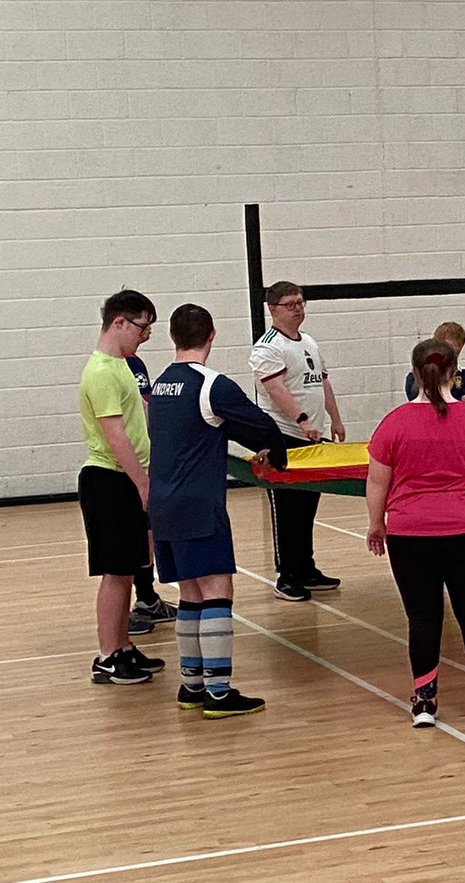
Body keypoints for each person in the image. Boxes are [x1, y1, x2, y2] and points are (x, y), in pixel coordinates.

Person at [366, 338, 465, 727]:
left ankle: (424, 702)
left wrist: (376, 524)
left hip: (410, 533)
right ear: (455, 372)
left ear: (414, 374)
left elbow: (377, 484)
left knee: (422, 618)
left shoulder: (394, 423)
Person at [149, 304, 288, 718]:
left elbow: (217, 427)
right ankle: (219, 692)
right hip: (198, 502)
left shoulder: (160, 385)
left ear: (173, 336)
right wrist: (277, 454)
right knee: (217, 590)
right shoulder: (211, 384)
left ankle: (192, 686)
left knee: (190, 592)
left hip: (162, 502)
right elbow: (261, 425)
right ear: (212, 335)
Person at [77, 290, 167, 685]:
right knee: (115, 573)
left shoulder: (122, 367)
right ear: (119, 323)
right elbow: (116, 437)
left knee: (128, 568)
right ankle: (107, 655)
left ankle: (124, 646)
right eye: (142, 328)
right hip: (110, 480)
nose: (144, 337)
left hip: (124, 479)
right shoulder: (100, 372)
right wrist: (142, 482)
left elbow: (140, 419)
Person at [250, 281, 346, 601]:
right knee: (287, 508)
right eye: (290, 304)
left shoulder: (309, 342)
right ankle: (286, 575)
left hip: (313, 439)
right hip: (284, 438)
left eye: (301, 302)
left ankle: (306, 567)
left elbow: (322, 383)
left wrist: (335, 418)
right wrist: (302, 420)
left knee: (307, 507)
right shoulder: (267, 347)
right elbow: (276, 390)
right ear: (273, 309)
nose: (298, 309)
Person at [125, 343, 178, 634]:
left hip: (147, 458)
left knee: (148, 532)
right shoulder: (111, 367)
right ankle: (136, 606)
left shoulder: (135, 363)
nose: (146, 335)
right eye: (141, 326)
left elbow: (147, 407)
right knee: (136, 536)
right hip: (126, 465)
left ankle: (146, 598)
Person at [404, 321, 465, 405]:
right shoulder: (415, 376)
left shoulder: (463, 374)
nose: (451, 359)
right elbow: (416, 401)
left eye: (456, 354)